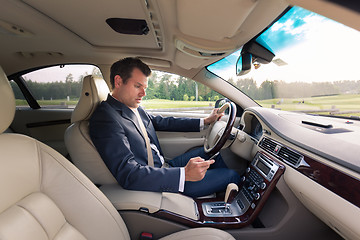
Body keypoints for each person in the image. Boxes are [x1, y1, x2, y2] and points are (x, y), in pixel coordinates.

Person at [89, 57, 240, 198]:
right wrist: (184, 174)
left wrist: (205, 121)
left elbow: (162, 122)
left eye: (145, 87)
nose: (144, 93)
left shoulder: (131, 107)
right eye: (137, 86)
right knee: (232, 175)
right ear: (118, 81)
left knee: (215, 152)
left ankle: (218, 195)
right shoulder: (106, 119)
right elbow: (128, 174)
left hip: (165, 166)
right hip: (159, 180)